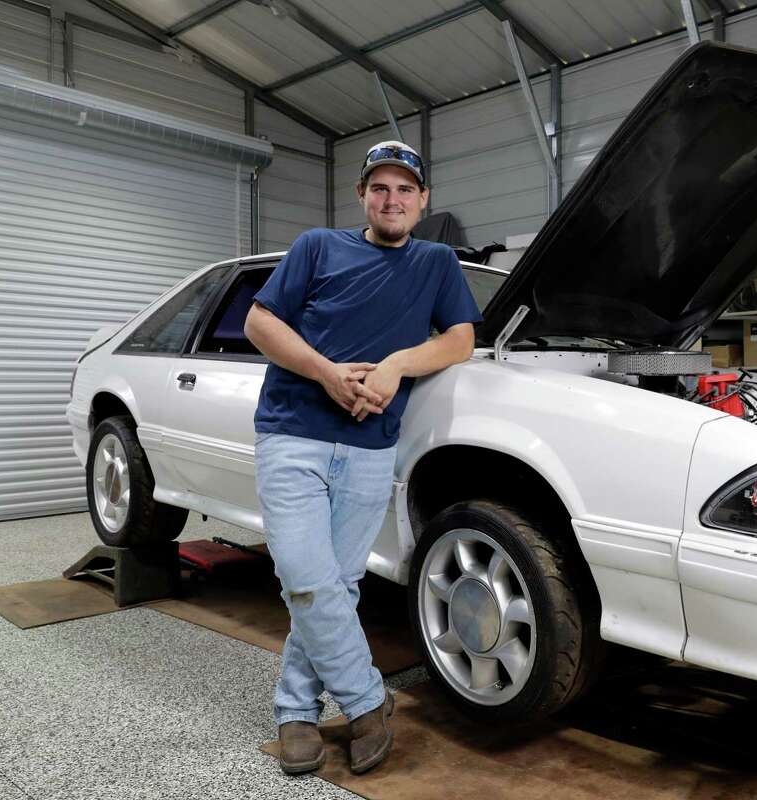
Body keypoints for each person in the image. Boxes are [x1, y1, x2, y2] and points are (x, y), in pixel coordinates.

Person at [244, 140, 481, 775]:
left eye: (406, 189)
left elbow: (461, 339)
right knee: (305, 577)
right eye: (381, 188)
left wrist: (400, 364)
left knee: (336, 585)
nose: (393, 199)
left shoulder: (436, 262)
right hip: (293, 433)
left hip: (372, 446)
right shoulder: (317, 246)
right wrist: (325, 374)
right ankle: (366, 701)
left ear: (423, 199)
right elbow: (260, 323)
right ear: (362, 196)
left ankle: (295, 711)